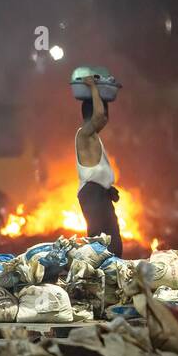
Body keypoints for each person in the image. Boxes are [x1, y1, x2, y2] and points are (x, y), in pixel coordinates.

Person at [75, 73, 123, 256]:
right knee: (100, 246)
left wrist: (108, 188)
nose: (106, 120)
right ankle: (95, 281)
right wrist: (94, 88)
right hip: (91, 195)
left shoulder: (94, 138)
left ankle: (111, 281)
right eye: (103, 114)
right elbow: (99, 116)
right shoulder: (83, 135)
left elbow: (98, 172)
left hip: (100, 195)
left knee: (114, 245)